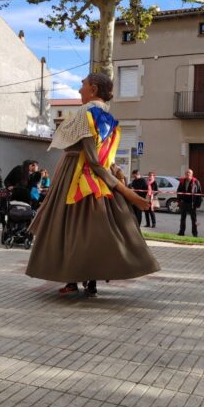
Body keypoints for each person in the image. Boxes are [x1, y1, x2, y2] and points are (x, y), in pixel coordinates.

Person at [25, 73, 160, 297]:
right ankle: (90, 280)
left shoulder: (84, 115)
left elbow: (93, 161)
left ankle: (72, 279)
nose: (79, 91)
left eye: (82, 86)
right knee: (95, 232)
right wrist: (118, 179)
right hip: (100, 180)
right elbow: (106, 160)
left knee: (69, 230)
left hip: (76, 178)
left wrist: (129, 194)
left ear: (93, 89)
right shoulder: (111, 120)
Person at [177, 169, 202, 237]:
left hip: (192, 203)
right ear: (185, 174)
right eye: (187, 173)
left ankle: (195, 233)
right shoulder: (182, 181)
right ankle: (181, 232)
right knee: (182, 218)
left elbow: (199, 193)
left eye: (189, 173)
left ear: (192, 174)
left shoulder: (196, 181)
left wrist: (198, 203)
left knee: (194, 219)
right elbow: (178, 191)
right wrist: (179, 201)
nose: (188, 174)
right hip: (184, 203)